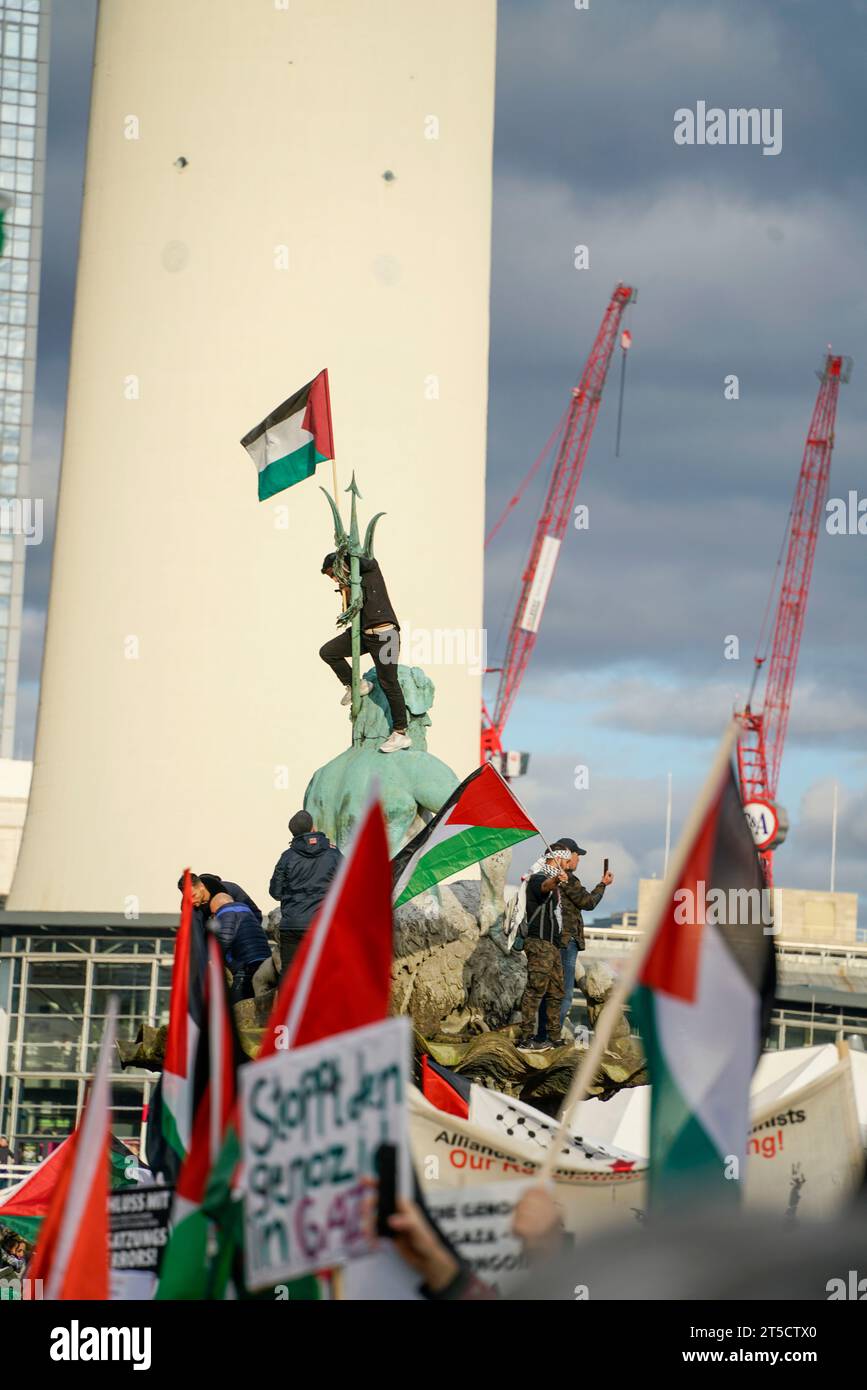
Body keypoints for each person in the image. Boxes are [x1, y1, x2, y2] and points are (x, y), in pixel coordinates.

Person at [319, 551, 411, 754]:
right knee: (328, 652)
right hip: (363, 635)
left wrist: (347, 557)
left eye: (332, 574)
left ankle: (400, 733)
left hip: (386, 635)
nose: (333, 579)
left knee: (389, 682)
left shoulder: (368, 568)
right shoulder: (351, 585)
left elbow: (363, 562)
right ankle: (356, 685)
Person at [536, 838, 613, 1042]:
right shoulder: (566, 878)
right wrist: (603, 884)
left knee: (550, 991)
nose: (578, 860)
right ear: (568, 855)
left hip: (553, 939)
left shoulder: (547, 876)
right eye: (577, 855)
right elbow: (588, 902)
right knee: (564, 993)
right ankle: (549, 1038)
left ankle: (544, 1035)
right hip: (566, 940)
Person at [270, 810, 343, 980]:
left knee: (290, 978)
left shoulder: (287, 857)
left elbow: (275, 892)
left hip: (292, 926)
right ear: (313, 827)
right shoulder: (333, 854)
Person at [517, 850, 570, 1050]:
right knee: (535, 989)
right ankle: (526, 1037)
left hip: (552, 946)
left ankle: (553, 1037)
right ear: (557, 858)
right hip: (538, 943)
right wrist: (556, 879)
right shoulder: (538, 877)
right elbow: (544, 887)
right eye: (566, 859)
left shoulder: (555, 881)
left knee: (556, 991)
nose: (569, 862)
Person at [208, 892, 271, 1004]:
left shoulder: (226, 913)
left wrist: (212, 960)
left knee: (238, 1008)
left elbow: (224, 940)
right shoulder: (246, 912)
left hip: (244, 968)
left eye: (213, 914)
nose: (214, 917)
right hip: (262, 963)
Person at [178, 872, 263, 923]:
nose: (191, 901)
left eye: (193, 895)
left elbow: (255, 915)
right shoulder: (188, 909)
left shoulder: (232, 890)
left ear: (201, 886)